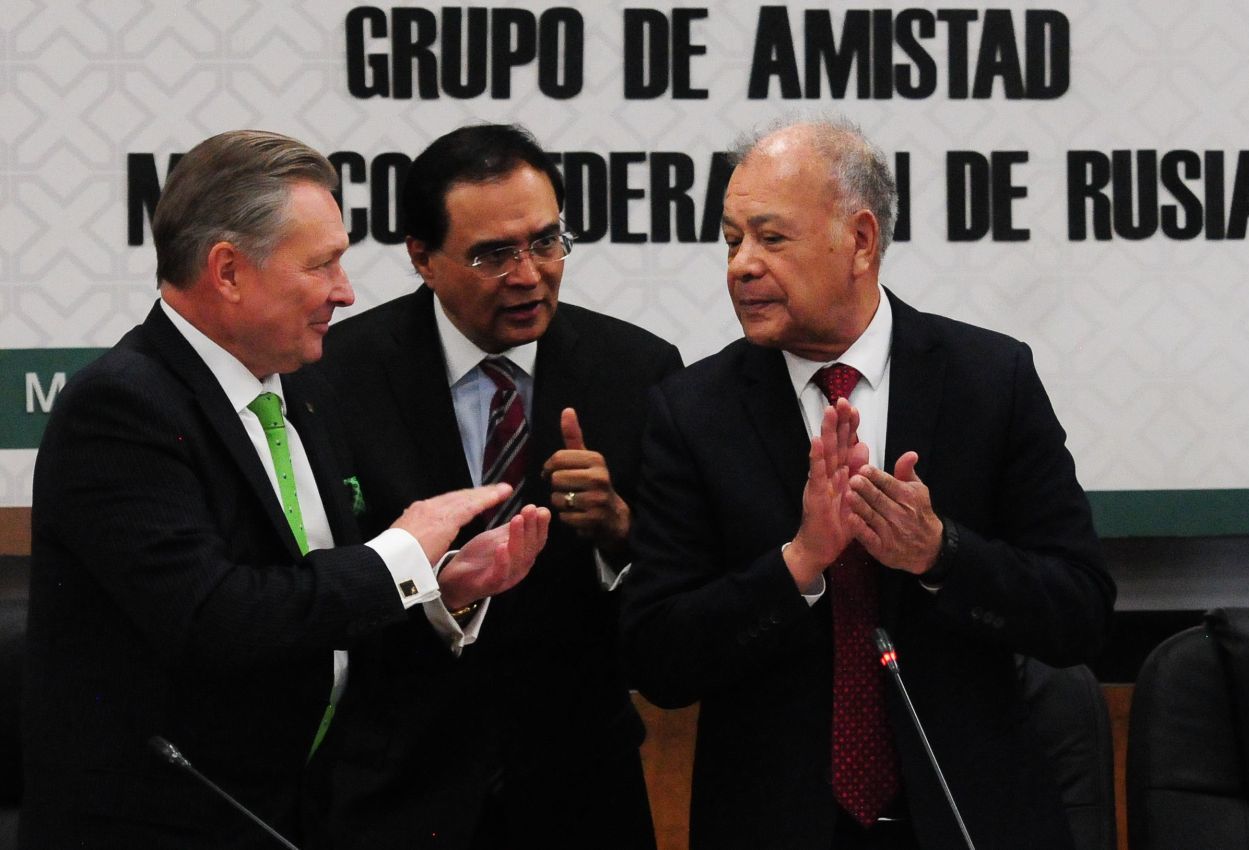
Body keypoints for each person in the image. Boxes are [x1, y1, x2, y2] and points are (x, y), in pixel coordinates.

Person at [20, 130, 549, 850]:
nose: (347, 290)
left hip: (299, 814)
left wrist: (438, 588)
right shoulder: (121, 408)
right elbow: (216, 616)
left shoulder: (303, 390)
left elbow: (313, 609)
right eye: (323, 264)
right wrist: (398, 556)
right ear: (229, 271)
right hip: (166, 825)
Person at [619, 119, 1116, 850]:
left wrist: (942, 554)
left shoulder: (990, 381)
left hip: (966, 813)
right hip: (776, 822)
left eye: (770, 238)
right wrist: (797, 564)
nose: (741, 266)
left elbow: (1080, 611)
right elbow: (658, 659)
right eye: (731, 241)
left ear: (859, 240)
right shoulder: (692, 413)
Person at [313, 123, 683, 849]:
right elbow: (317, 583)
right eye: (493, 254)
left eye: (546, 242)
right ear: (422, 256)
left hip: (582, 786)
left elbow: (677, 585)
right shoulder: (335, 377)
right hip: (399, 786)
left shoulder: (636, 369)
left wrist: (618, 528)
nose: (529, 274)